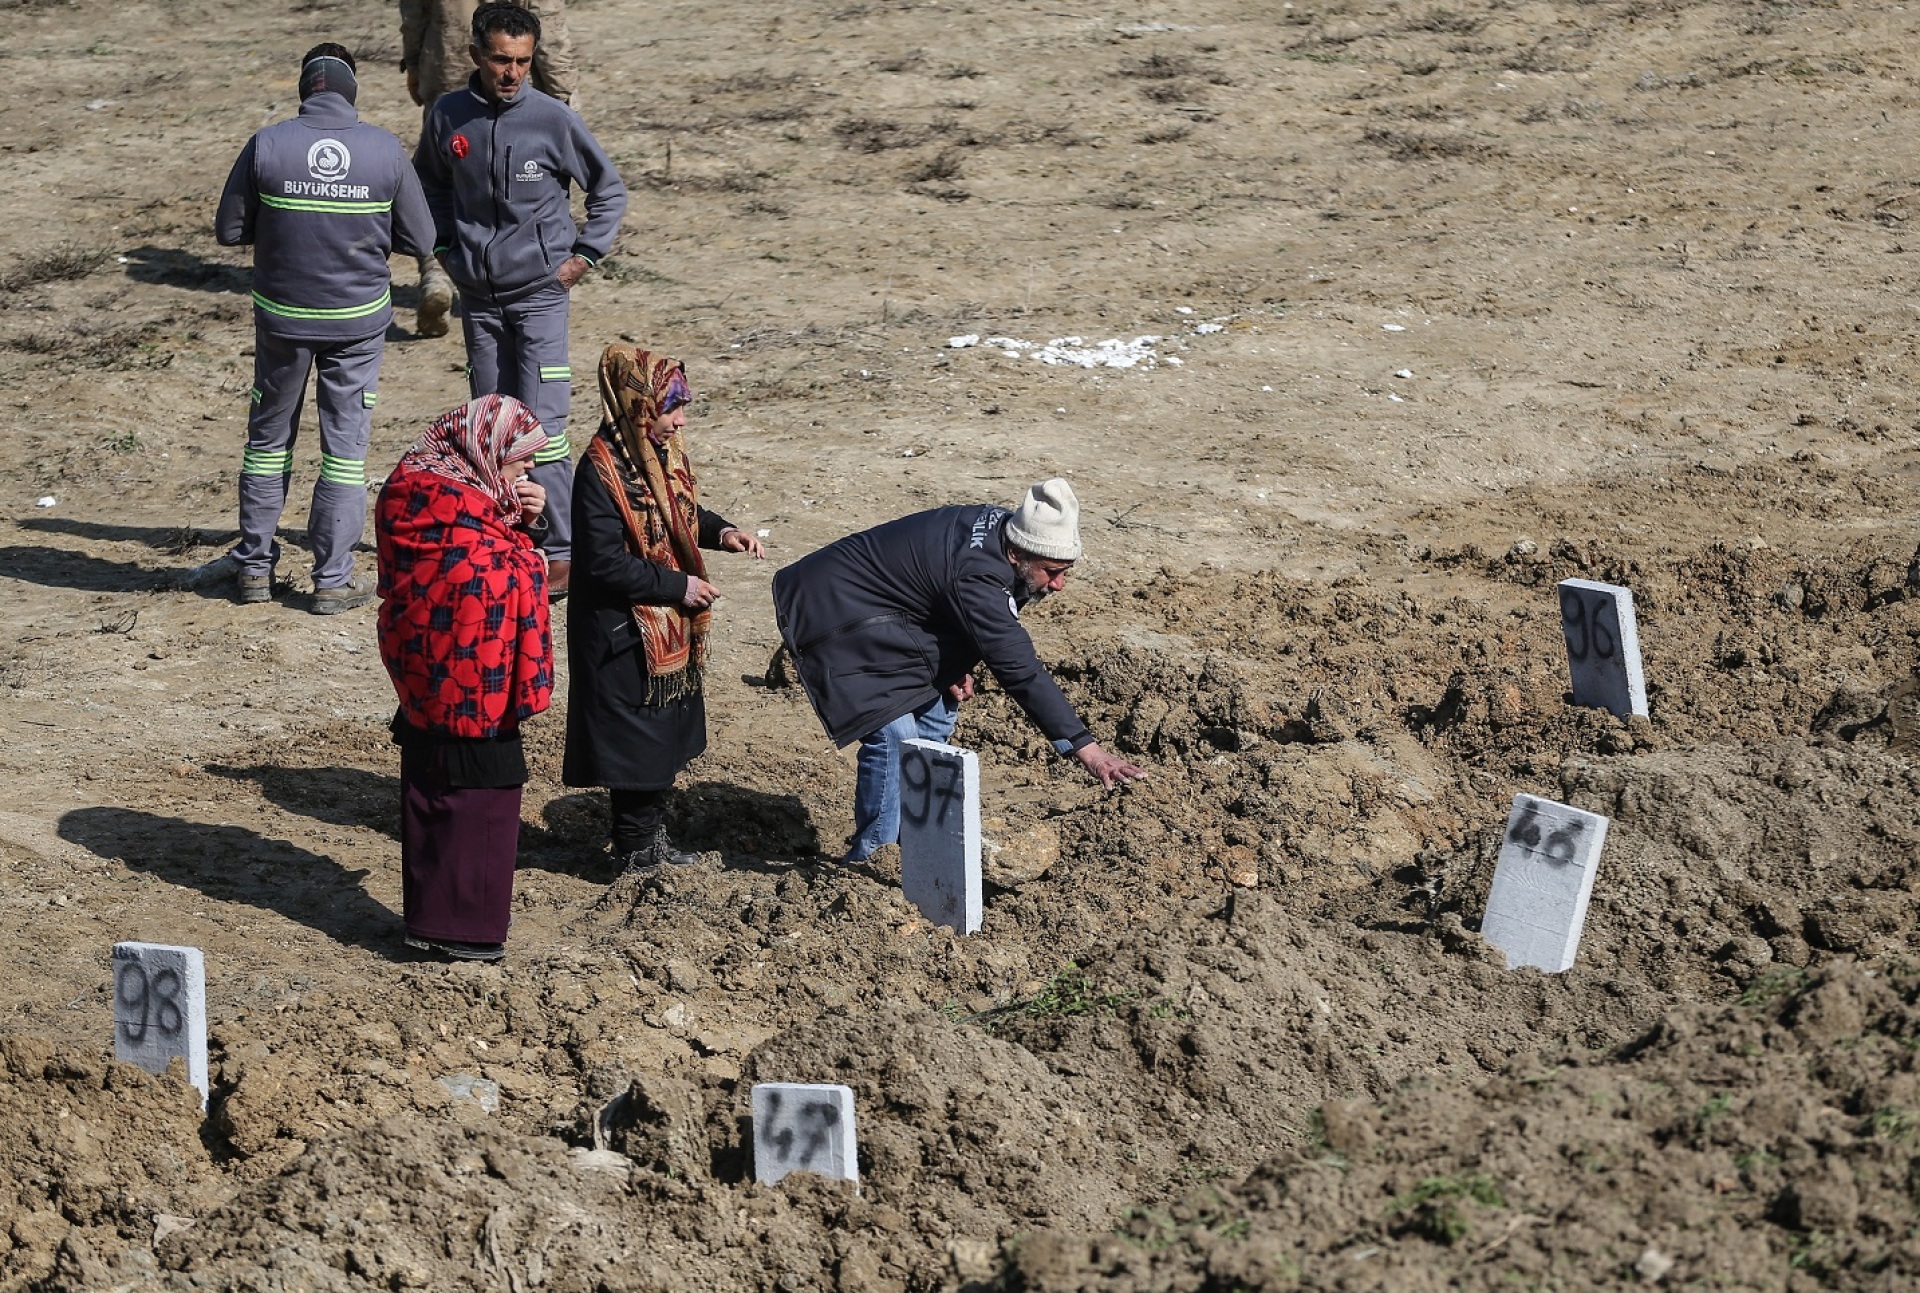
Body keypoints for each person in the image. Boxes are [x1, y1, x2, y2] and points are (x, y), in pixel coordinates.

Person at [772, 479, 1147, 863]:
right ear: (1018, 553)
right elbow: (1019, 668)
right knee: (893, 736)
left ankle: (918, 844)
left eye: (1066, 571)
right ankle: (872, 858)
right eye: (1052, 572)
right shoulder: (978, 574)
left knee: (937, 711)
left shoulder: (1005, 533)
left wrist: (955, 660)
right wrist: (1090, 751)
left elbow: (947, 597)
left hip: (894, 608)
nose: (1059, 585)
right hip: (830, 606)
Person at [414, 1, 627, 603]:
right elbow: (427, 186)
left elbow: (608, 189)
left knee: (544, 426)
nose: (512, 73)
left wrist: (582, 258)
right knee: (491, 424)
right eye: (502, 61)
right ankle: (505, 534)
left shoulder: (553, 119)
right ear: (477, 55)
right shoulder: (447, 114)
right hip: (478, 300)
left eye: (524, 62)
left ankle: (560, 552)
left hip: (541, 295)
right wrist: (446, 250)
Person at [214, 43, 434, 614]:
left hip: (282, 320)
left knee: (266, 442)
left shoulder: (267, 144)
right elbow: (422, 240)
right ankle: (331, 580)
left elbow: (230, 229)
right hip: (357, 325)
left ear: (306, 88)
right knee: (343, 453)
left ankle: (254, 569)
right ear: (350, 89)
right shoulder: (384, 150)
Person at [562, 345, 764, 874]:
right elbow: (603, 563)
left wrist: (723, 532)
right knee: (637, 746)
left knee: (659, 739)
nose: (679, 422)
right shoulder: (600, 472)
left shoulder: (659, 458)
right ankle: (635, 852)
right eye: (670, 409)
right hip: (620, 631)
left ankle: (649, 838)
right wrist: (680, 586)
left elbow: (681, 515)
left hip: (659, 629)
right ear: (637, 406)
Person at [375, 395, 554, 961]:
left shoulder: (451, 488)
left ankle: (443, 923)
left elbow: (491, 550)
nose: (527, 470)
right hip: (459, 675)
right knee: (468, 797)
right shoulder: (430, 497)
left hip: (447, 671)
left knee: (454, 794)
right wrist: (533, 553)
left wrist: (525, 521)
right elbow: (478, 577)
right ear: (484, 449)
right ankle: (458, 931)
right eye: (519, 459)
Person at [397, 0, 578, 338]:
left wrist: (415, 61)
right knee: (511, 175)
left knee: (439, 176)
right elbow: (545, 12)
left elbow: (415, 9)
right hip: (514, 68)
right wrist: (562, 87)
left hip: (447, 53)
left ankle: (436, 272)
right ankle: (512, 272)